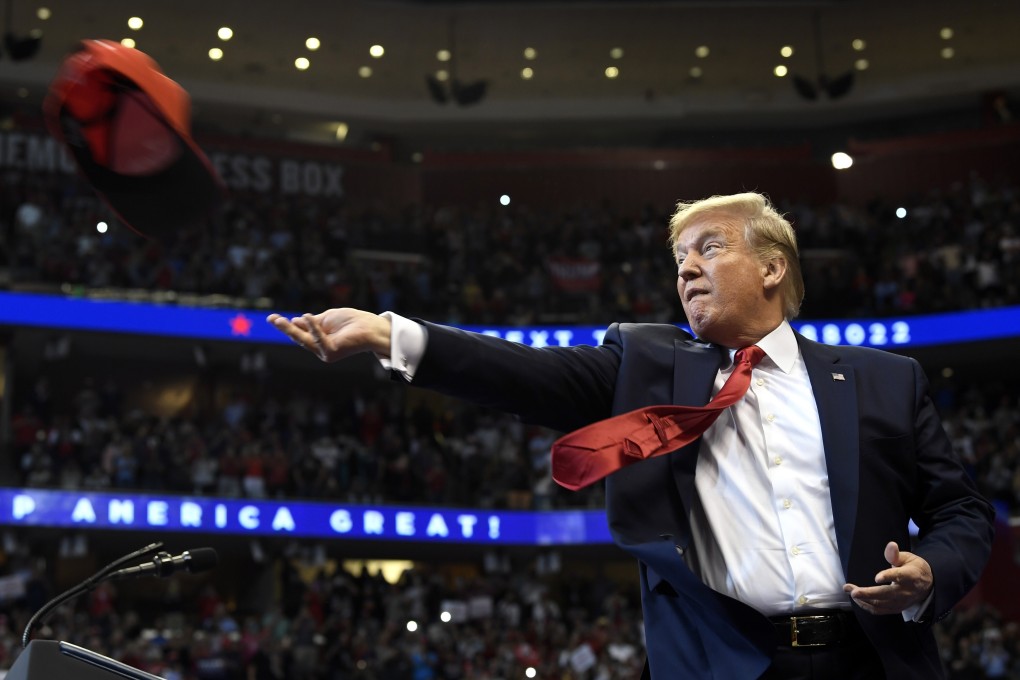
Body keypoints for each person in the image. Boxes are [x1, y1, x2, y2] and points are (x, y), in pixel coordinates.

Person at [267, 192, 994, 679]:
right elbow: (524, 375)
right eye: (679, 257)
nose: (686, 267)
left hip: (876, 661)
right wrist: (390, 334)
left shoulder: (883, 379)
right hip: (725, 663)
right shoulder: (647, 363)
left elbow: (960, 512)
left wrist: (930, 572)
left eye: (709, 248)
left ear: (773, 267)